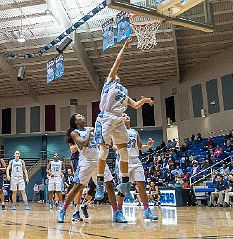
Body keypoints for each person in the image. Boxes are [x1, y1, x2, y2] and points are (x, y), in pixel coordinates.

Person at [95, 38, 154, 200]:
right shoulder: (109, 83)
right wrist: (124, 47)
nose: (118, 76)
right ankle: (100, 183)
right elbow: (117, 62)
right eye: (116, 75)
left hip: (119, 120)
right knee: (104, 151)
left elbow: (134, 105)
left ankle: (125, 184)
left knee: (124, 153)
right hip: (105, 118)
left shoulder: (124, 93)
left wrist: (145, 101)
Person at [57, 113, 127, 223]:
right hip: (86, 161)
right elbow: (84, 143)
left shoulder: (91, 128)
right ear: (76, 122)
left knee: (109, 184)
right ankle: (63, 211)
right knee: (77, 187)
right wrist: (89, 133)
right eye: (80, 116)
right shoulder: (74, 133)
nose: (83, 117)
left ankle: (116, 213)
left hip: (99, 160)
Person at [115, 114, 158, 220]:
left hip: (135, 160)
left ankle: (147, 211)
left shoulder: (135, 132)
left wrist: (148, 146)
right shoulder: (118, 131)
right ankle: (119, 212)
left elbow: (139, 147)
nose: (127, 116)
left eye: (127, 115)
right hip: (124, 160)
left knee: (141, 185)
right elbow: (114, 146)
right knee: (123, 189)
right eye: (124, 115)